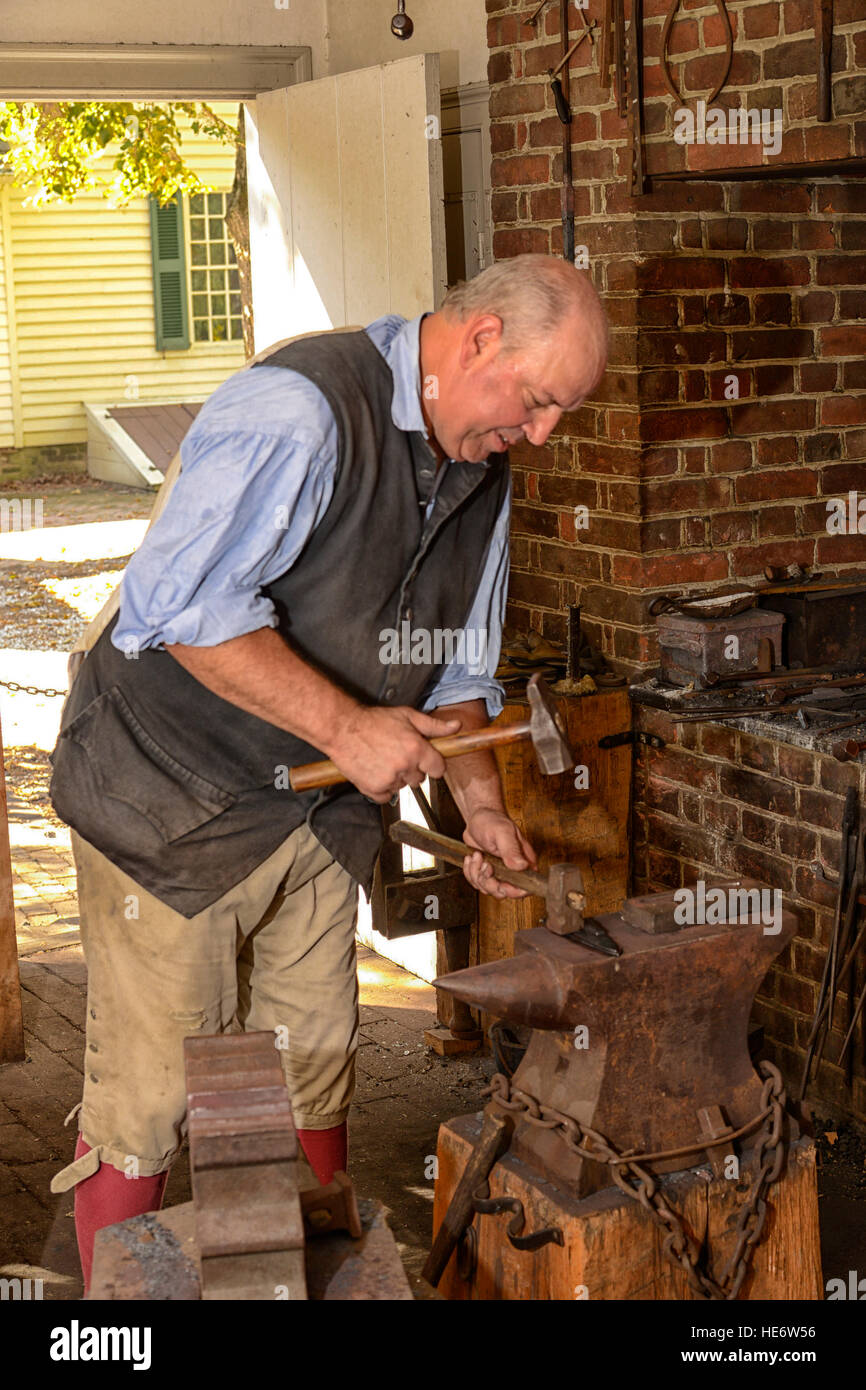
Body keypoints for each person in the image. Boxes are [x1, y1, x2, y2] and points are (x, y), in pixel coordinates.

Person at [48, 253, 609, 1288]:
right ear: (480, 338)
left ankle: (305, 1283)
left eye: (558, 413)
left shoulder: (485, 480)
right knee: (155, 1091)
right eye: (536, 402)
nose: (540, 435)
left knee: (313, 1065)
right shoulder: (298, 409)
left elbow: (460, 670)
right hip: (170, 800)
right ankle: (109, 1318)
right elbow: (178, 608)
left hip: (314, 817)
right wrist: (349, 727)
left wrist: (476, 805)